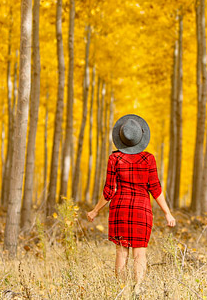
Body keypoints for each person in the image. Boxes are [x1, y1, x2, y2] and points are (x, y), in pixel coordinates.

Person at [87, 114, 176, 295]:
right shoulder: (148, 159)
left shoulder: (115, 159)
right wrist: (167, 212)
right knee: (140, 253)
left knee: (121, 252)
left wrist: (95, 210)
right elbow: (156, 188)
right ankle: (138, 290)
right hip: (142, 210)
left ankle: (121, 290)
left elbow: (109, 191)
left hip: (120, 209)